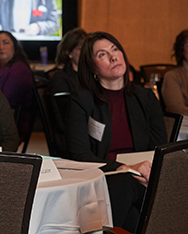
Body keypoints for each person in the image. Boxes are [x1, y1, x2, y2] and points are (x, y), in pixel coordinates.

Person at [66, 31, 166, 232]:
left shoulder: (145, 97)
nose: (113, 57)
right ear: (92, 66)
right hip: (102, 176)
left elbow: (161, 148)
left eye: (115, 49)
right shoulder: (81, 101)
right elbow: (79, 155)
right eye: (102, 54)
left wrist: (148, 172)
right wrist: (121, 167)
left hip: (144, 178)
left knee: (126, 193)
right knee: (127, 200)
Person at [0, 31, 34, 140]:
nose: (1, 47)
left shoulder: (19, 69)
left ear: (14, 46)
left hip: (7, 124)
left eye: (6, 43)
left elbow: (7, 102)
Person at [50, 27, 88, 94]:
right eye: (81, 49)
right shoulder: (61, 78)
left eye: (87, 49)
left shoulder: (93, 75)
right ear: (69, 53)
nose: (86, 52)